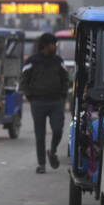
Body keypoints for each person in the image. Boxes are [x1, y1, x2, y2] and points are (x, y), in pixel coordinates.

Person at [20, 33, 69, 174]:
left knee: (58, 130)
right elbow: (24, 79)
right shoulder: (32, 61)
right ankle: (41, 164)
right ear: (46, 45)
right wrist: (30, 97)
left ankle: (52, 151)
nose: (56, 47)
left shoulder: (59, 61)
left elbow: (66, 79)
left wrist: (63, 96)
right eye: (54, 44)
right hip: (38, 102)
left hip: (56, 102)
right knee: (40, 135)